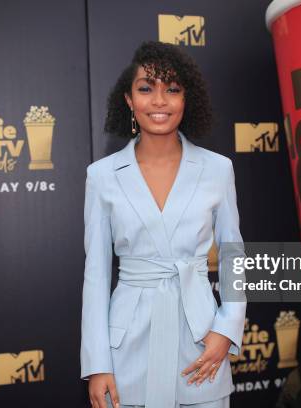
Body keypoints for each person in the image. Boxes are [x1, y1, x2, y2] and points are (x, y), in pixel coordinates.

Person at [80, 41, 246, 408]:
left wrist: (227, 328)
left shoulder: (218, 169)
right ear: (128, 99)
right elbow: (95, 276)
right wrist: (97, 363)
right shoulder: (102, 176)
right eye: (146, 88)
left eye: (172, 89)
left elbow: (233, 253)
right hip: (124, 347)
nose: (159, 101)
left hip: (201, 340)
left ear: (187, 99)